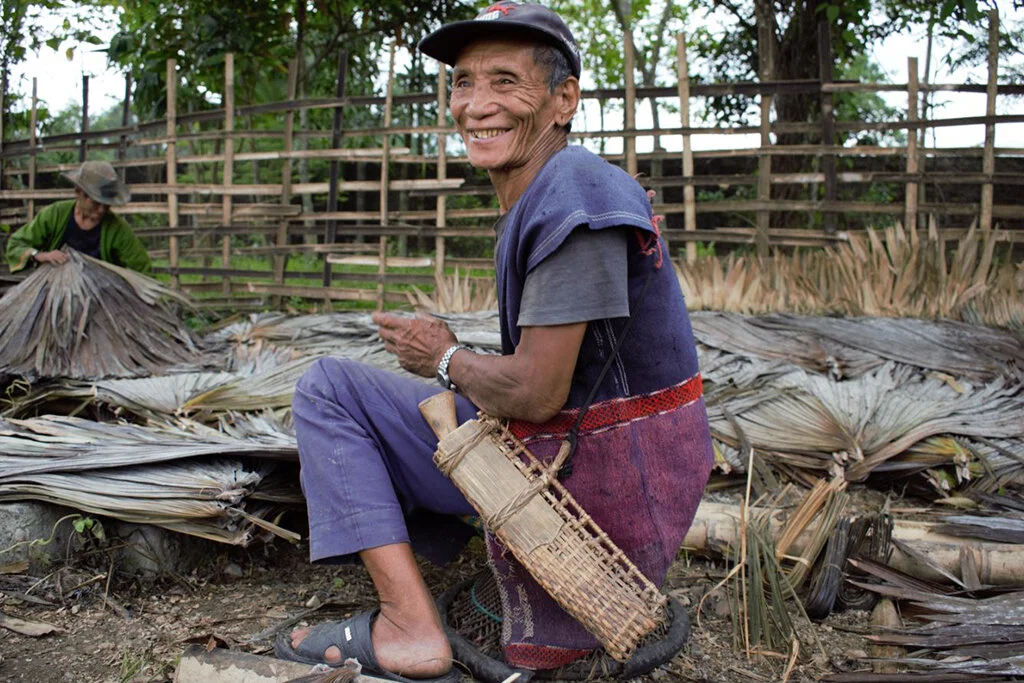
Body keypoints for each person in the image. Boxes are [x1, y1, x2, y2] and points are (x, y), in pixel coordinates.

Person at [276, 3, 713, 682]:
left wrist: (444, 359)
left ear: (563, 99)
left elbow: (538, 392)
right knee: (380, 394)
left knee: (330, 389)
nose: (476, 105)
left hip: (598, 493)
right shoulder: (550, 189)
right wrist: (452, 358)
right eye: (463, 82)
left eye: (505, 82)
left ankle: (409, 628)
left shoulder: (574, 195)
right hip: (597, 466)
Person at [4, 160, 151, 274]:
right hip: (54, 289)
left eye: (106, 205)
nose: (101, 210)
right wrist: (40, 255)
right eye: (96, 203)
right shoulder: (55, 214)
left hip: (101, 295)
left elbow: (141, 269)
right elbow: (16, 244)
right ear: (79, 192)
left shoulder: (118, 229)